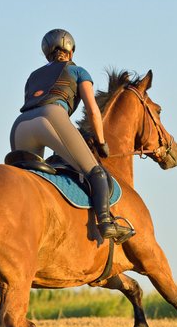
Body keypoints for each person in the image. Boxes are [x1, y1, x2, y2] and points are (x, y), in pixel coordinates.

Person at [10, 28, 134, 243]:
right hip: (52, 117)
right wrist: (102, 142)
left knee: (27, 185)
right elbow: (94, 110)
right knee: (95, 171)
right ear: (71, 50)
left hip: (20, 125)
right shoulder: (78, 71)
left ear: (46, 52)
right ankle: (106, 222)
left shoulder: (33, 76)